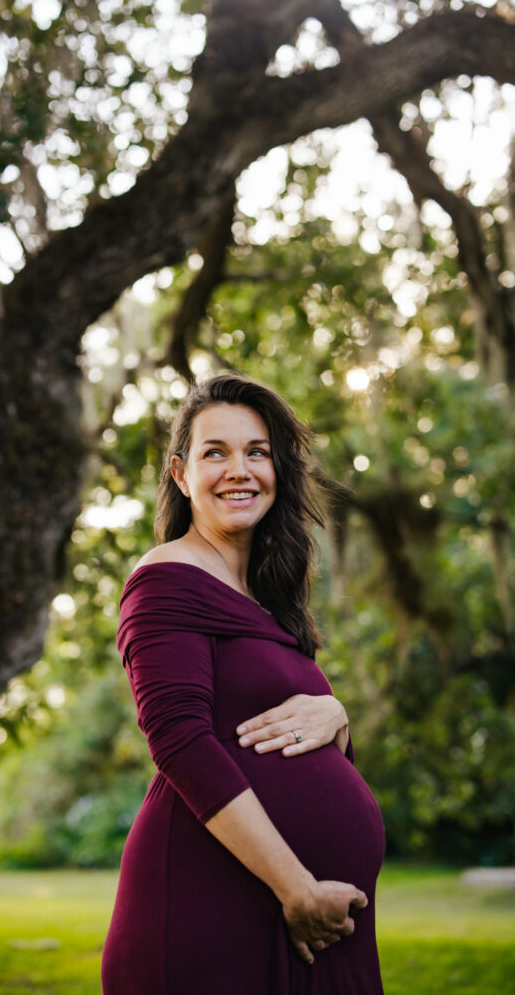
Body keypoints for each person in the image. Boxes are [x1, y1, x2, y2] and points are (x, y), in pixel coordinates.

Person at [101, 374, 385, 994]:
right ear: (180, 475)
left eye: (257, 451)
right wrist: (297, 888)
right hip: (224, 907)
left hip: (310, 919)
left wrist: (337, 715)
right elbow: (179, 741)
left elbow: (290, 735)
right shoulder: (165, 579)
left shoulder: (269, 600)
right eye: (215, 452)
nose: (240, 470)